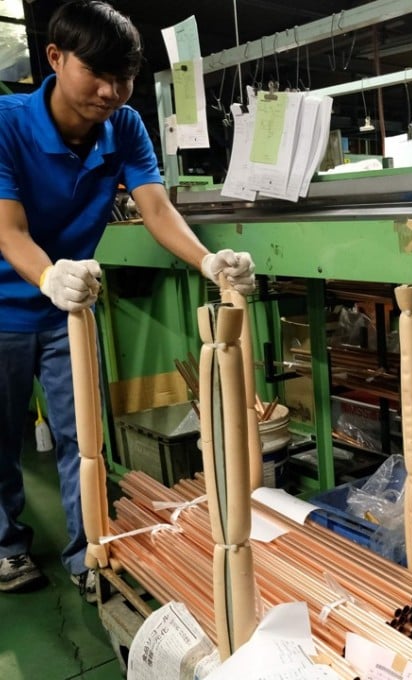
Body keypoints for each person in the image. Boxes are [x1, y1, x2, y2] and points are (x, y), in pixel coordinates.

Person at [0, 1, 255, 601]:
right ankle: (7, 547)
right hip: (8, 305)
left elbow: (156, 207)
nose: (112, 92)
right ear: (56, 58)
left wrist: (206, 260)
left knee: (81, 435)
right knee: (1, 436)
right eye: (99, 74)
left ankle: (87, 551)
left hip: (70, 308)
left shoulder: (126, 126)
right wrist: (47, 278)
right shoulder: (7, 122)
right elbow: (9, 231)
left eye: (126, 79)